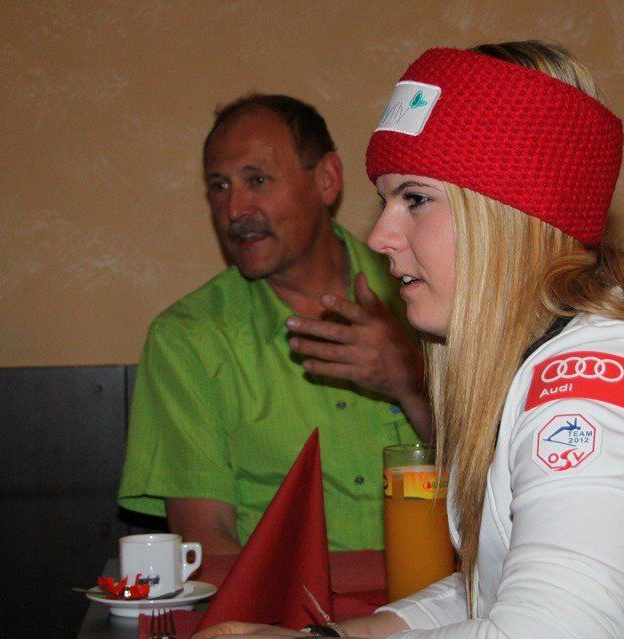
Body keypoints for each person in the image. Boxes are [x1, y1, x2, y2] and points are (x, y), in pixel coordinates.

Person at [189, 42, 624, 639]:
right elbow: (498, 587)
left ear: (508, 214)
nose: (379, 236)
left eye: (415, 198)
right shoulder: (548, 353)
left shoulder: (593, 387)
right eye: (385, 200)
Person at [118, 94, 431, 555]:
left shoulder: (426, 298)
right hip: (280, 602)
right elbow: (207, 542)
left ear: (326, 180)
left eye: (257, 180)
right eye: (219, 186)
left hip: (444, 594)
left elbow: (497, 478)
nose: (235, 210)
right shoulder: (189, 338)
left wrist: (410, 383)